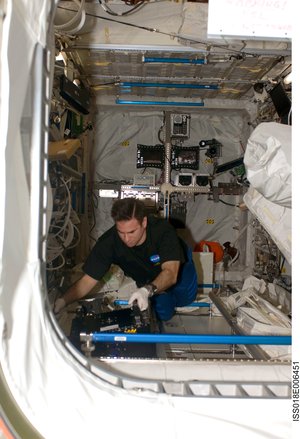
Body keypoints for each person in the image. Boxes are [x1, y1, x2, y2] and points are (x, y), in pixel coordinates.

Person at [54, 198, 198, 321]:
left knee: (185, 298)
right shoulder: (109, 242)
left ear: (144, 223)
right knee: (161, 312)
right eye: (121, 232)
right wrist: (63, 301)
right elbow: (87, 281)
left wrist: (147, 290)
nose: (126, 239)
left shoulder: (163, 231)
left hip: (178, 270)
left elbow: (171, 274)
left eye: (131, 232)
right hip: (147, 278)